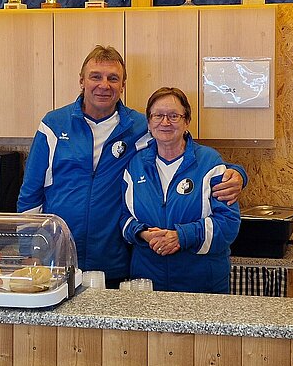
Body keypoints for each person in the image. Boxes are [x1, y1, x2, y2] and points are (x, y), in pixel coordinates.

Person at [18, 46, 245, 287]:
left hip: (113, 261)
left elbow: (184, 155)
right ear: (81, 81)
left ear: (122, 85)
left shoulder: (139, 128)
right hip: (57, 258)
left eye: (113, 78)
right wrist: (29, 249)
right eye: (96, 76)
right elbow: (30, 193)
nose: (104, 85)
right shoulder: (54, 125)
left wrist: (237, 174)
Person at [120, 87, 240, 294]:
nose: (165, 122)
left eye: (174, 116)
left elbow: (228, 224)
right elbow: (124, 217)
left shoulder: (210, 163)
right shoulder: (135, 165)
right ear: (149, 122)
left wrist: (182, 236)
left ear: (187, 122)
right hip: (148, 283)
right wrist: (143, 234)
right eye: (158, 115)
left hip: (202, 284)